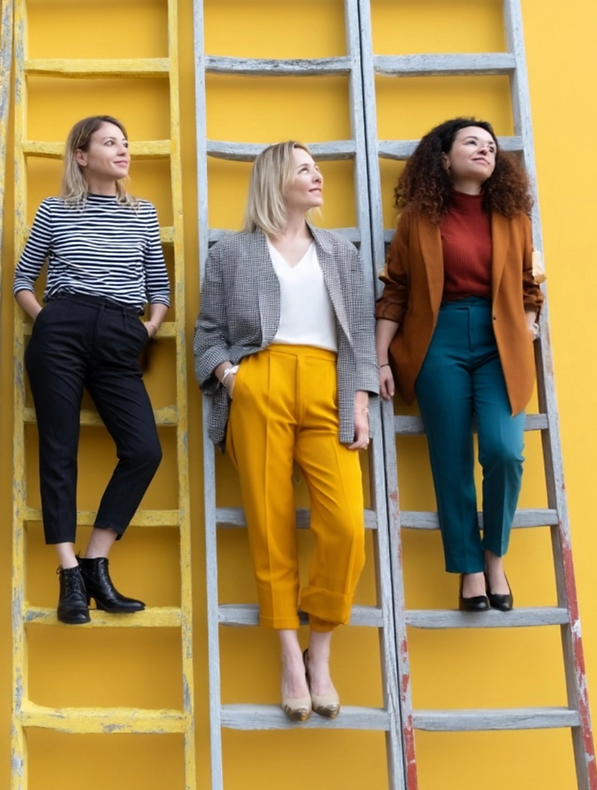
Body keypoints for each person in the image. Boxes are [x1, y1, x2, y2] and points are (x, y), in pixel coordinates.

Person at [194, 141, 378, 722]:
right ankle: (290, 661)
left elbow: (362, 336)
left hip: (328, 382)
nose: (318, 176)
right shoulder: (230, 253)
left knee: (346, 524)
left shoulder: (340, 252)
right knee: (270, 526)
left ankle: (319, 648)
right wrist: (233, 378)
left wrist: (360, 400)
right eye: (305, 169)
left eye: (316, 168)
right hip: (260, 384)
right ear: (277, 181)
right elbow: (206, 334)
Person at [375, 117, 544, 613]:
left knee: (504, 452)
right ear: (443, 158)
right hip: (437, 340)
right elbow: (397, 291)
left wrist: (527, 326)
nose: (485, 149)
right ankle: (470, 569)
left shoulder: (514, 216)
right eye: (471, 142)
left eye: (491, 146)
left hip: (500, 342)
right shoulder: (417, 219)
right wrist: (381, 357)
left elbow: (530, 287)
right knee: (450, 460)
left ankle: (495, 557)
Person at [13, 115, 168, 625]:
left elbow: (159, 290)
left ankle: (96, 559)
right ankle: (68, 575)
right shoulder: (54, 210)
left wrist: (144, 329)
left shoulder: (142, 213)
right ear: (81, 155)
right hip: (62, 327)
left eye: (126, 142)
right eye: (110, 142)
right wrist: (50, 321)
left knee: (144, 449)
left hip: (121, 332)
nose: (123, 149)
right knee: (60, 450)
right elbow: (22, 280)